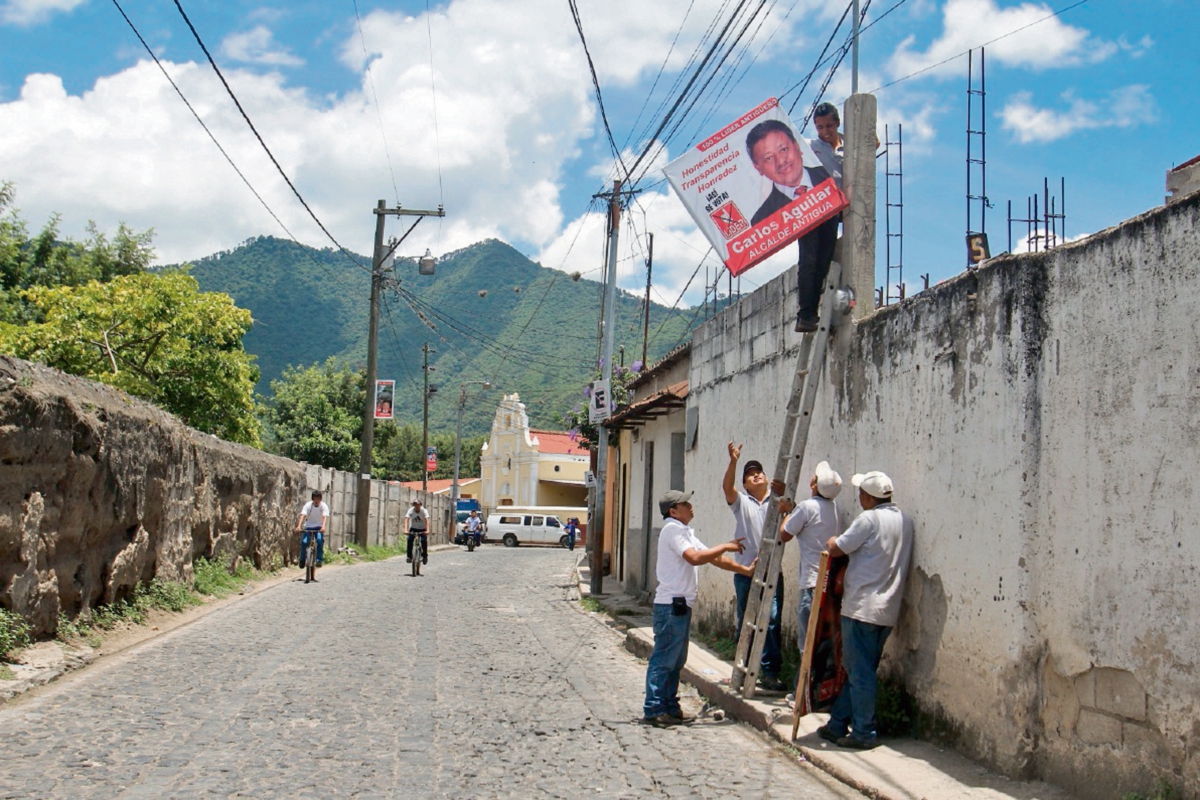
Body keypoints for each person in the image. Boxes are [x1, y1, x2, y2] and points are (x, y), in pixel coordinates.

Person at [817, 471, 913, 750]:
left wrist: (832, 540)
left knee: (859, 672)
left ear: (869, 497)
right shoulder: (904, 521)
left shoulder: (868, 519)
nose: (859, 498)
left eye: (861, 493)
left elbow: (838, 548)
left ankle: (863, 731)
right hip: (887, 608)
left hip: (862, 607)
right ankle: (837, 723)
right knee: (860, 669)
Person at [644, 489, 756, 727]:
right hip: (671, 605)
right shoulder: (672, 530)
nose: (691, 506)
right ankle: (655, 708)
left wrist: (744, 570)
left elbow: (711, 557)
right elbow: (695, 558)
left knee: (676, 660)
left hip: (681, 605)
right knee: (664, 659)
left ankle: (670, 707)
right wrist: (725, 546)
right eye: (686, 503)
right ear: (674, 511)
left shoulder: (684, 532)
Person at [744, 119, 838, 334]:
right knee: (810, 259)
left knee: (822, 260)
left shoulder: (827, 178)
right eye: (768, 158)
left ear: (797, 146)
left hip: (832, 220)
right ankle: (806, 314)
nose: (781, 161)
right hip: (808, 237)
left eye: (784, 149)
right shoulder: (763, 218)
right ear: (758, 168)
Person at [723, 441, 787, 692]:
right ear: (746, 484)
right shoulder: (742, 503)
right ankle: (742, 668)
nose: (755, 474)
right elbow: (727, 487)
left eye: (758, 471)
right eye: (750, 474)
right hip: (745, 572)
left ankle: (770, 673)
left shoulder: (778, 500)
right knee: (746, 620)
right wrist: (734, 461)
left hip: (772, 571)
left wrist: (784, 496)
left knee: (771, 620)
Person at [777, 461, 843, 662]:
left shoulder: (806, 507)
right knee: (824, 641)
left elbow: (784, 534)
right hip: (829, 583)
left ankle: (802, 689)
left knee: (807, 641)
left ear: (814, 485)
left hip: (812, 584)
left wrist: (787, 512)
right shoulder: (835, 508)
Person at [295, 490, 329, 570]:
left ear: (320, 499)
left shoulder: (323, 506)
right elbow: (303, 515)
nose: (316, 501)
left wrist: (323, 527)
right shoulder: (308, 505)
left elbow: (324, 517)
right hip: (308, 527)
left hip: (319, 528)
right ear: (312, 499)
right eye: (315, 498)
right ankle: (302, 560)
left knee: (320, 541)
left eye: (318, 499)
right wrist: (299, 526)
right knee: (304, 542)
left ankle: (319, 560)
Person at [405, 499, 429, 565]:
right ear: (414, 505)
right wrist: (405, 530)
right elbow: (406, 519)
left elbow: (427, 520)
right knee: (409, 540)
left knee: (424, 541)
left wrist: (427, 530)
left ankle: (424, 556)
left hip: (422, 529)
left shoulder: (424, 511)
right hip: (413, 528)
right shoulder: (411, 510)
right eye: (415, 504)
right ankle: (409, 556)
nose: (417, 506)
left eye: (418, 504)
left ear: (420, 505)